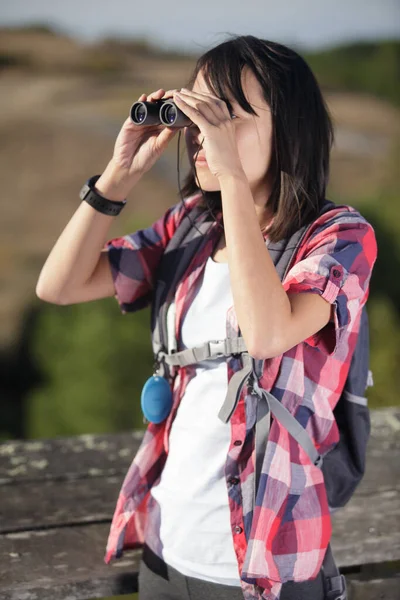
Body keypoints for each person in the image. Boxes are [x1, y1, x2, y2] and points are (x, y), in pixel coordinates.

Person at [36, 35, 378, 600]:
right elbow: (60, 285)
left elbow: (267, 333)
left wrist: (235, 181)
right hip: (167, 555)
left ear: (289, 129)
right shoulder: (193, 227)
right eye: (196, 114)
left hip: (269, 568)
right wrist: (118, 174)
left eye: (225, 117)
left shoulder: (339, 237)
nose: (201, 134)